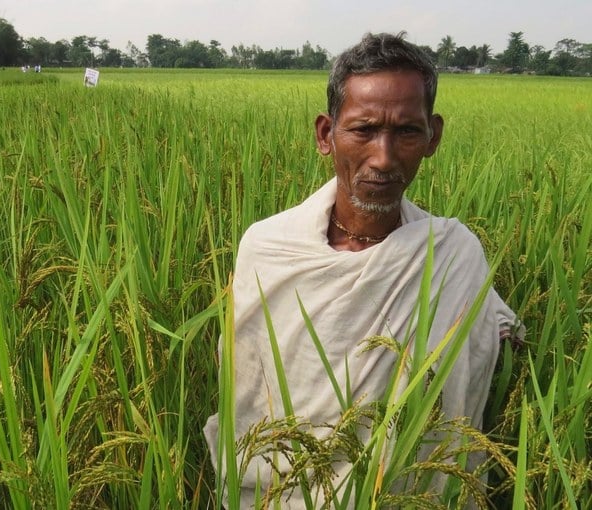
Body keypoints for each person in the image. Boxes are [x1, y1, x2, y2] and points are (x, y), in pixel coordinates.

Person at [203, 32, 523, 508]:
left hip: (412, 494)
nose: (384, 158)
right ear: (325, 135)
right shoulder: (269, 248)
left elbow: (486, 324)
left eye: (407, 132)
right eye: (363, 129)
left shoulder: (454, 253)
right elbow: (246, 391)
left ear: (433, 136)